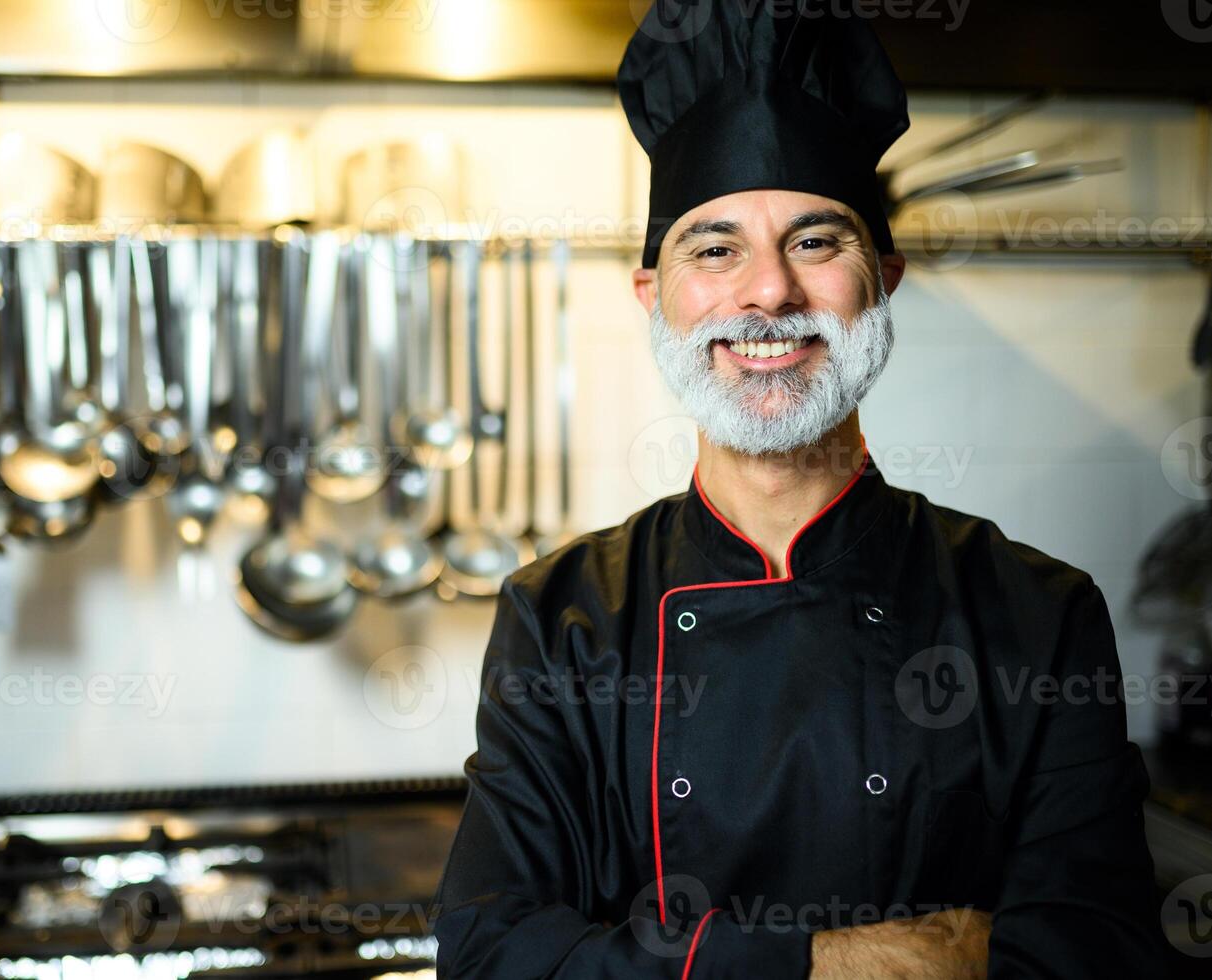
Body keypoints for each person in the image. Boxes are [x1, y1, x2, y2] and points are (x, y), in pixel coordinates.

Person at [430, 2, 1167, 977]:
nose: (769, 292)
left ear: (883, 279)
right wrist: (836, 960)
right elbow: (490, 954)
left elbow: (1098, 953)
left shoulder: (1039, 614)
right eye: (715, 247)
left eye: (816, 242)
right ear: (656, 296)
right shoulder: (560, 618)